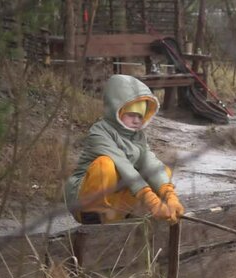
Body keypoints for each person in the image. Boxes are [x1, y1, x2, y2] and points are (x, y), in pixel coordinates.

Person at [65, 74, 184, 224]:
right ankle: (93, 218)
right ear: (116, 109)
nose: (136, 120)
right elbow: (124, 166)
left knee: (162, 171)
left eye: (140, 116)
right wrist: (152, 201)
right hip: (84, 201)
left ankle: (126, 214)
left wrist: (169, 195)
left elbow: (150, 163)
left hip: (116, 201)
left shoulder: (138, 136)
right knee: (105, 165)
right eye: (131, 114)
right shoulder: (99, 132)